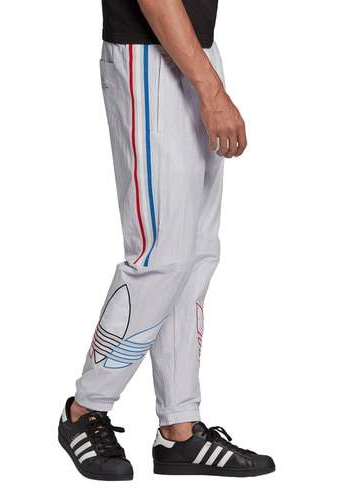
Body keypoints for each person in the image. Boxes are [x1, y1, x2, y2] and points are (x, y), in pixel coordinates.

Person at [58, 0, 275, 480]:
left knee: (195, 255)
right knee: (161, 256)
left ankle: (179, 428)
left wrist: (208, 79)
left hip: (194, 48)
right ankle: (85, 409)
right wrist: (212, 92)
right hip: (147, 56)